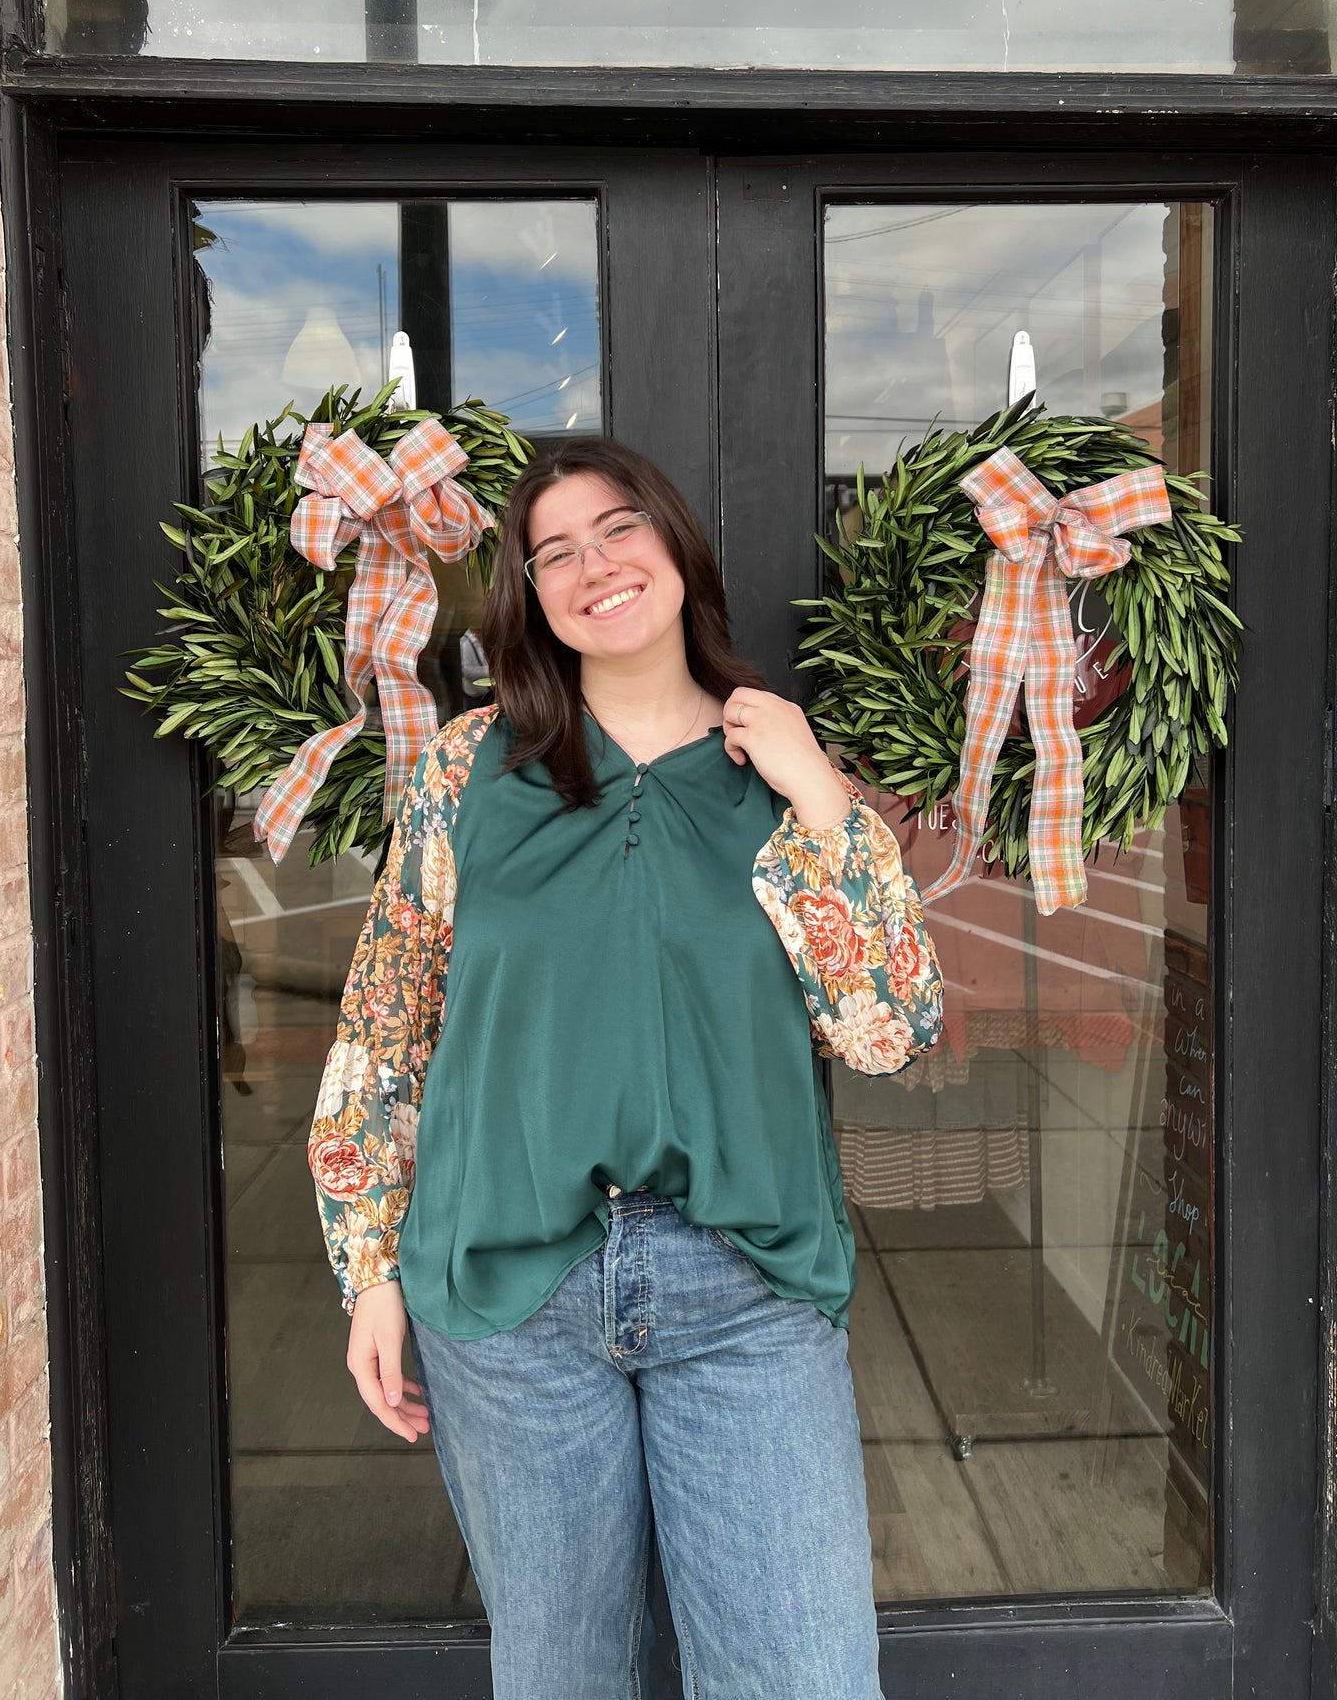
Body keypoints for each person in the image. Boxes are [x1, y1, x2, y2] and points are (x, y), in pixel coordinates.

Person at [308, 437, 944, 1700]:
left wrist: (820, 798)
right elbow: (384, 1028)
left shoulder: (779, 779)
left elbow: (890, 1031)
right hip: (509, 1294)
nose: (591, 565)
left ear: (675, 545)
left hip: (746, 1286)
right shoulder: (466, 773)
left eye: (616, 530)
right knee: (562, 1679)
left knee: (801, 1678)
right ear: (529, 598)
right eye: (553, 553)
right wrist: (367, 1266)